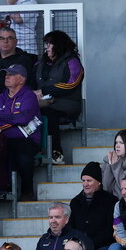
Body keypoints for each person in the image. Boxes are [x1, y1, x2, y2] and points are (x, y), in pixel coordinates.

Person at [0, 63, 40, 201]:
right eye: (6, 74)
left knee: (23, 154)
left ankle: (27, 192)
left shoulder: (29, 96)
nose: (7, 77)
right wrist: (12, 120)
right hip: (3, 138)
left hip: (26, 140)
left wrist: (3, 117)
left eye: (11, 74)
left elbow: (24, 119)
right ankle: (0, 190)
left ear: (22, 79)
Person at [35, 30, 84, 164]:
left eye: (49, 44)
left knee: (48, 113)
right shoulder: (40, 62)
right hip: (42, 102)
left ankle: (56, 153)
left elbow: (71, 83)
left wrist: (44, 91)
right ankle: (37, 151)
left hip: (67, 103)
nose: (46, 47)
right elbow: (30, 83)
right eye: (46, 44)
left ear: (59, 45)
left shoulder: (72, 61)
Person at [0, 26, 36, 99]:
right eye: (1, 38)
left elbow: (28, 84)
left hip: (16, 101)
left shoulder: (24, 60)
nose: (5, 41)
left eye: (9, 38)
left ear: (16, 41)